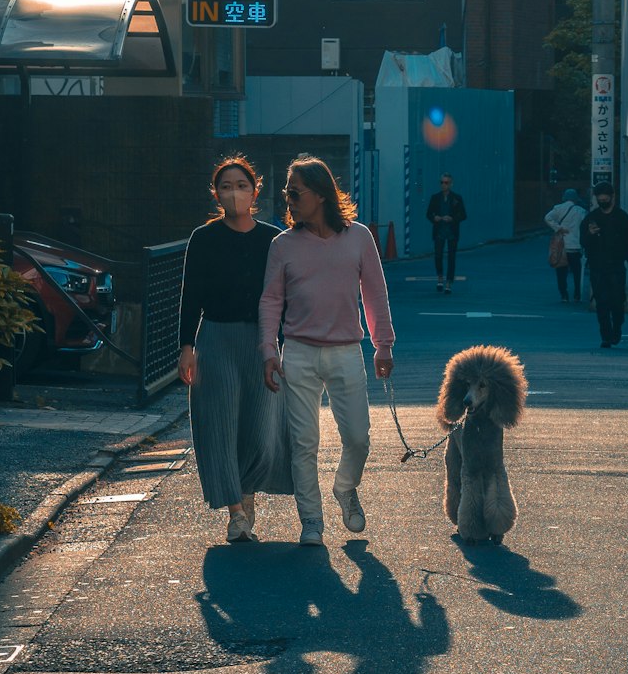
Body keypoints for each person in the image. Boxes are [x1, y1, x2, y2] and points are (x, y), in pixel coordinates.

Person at [259, 155, 395, 547]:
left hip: (346, 351)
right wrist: (269, 351)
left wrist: (382, 344)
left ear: (320, 194)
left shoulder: (359, 238)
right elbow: (270, 301)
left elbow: (375, 292)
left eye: (294, 192)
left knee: (358, 438)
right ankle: (311, 522)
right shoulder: (282, 245)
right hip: (298, 352)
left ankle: (345, 487)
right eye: (287, 192)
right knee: (304, 443)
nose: (288, 199)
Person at [178, 156, 292, 545]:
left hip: (261, 340)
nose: (234, 193)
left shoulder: (272, 239)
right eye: (226, 186)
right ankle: (236, 514)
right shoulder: (203, 238)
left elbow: (284, 297)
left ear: (255, 191)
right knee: (220, 426)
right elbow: (190, 294)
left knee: (262, 429)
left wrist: (284, 344)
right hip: (216, 338)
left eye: (241, 185)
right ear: (216, 193)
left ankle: (247, 493)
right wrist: (186, 346)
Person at [579, 181, 628, 348]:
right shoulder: (591, 218)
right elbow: (583, 242)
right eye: (600, 198)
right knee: (602, 302)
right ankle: (606, 335)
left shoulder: (621, 218)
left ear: (612, 197)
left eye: (605, 198)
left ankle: (617, 326)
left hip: (616, 266)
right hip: (597, 267)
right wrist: (590, 235)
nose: (602, 200)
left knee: (617, 301)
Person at [425, 173, 467, 293]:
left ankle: (448, 282)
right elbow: (428, 213)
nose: (443, 185)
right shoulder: (435, 198)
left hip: (452, 231)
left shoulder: (456, 198)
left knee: (451, 257)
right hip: (439, 230)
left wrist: (452, 218)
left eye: (446, 183)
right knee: (438, 255)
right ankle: (439, 278)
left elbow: (463, 214)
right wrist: (435, 218)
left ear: (451, 184)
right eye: (442, 182)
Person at [545, 188, 587, 303]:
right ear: (575, 199)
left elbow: (547, 218)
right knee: (576, 272)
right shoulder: (581, 211)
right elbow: (585, 227)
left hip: (562, 246)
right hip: (575, 246)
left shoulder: (558, 208)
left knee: (561, 272)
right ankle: (577, 294)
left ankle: (564, 295)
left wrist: (558, 228)